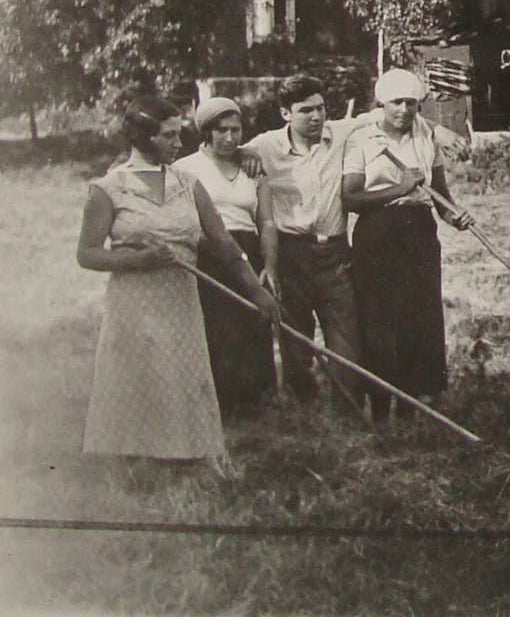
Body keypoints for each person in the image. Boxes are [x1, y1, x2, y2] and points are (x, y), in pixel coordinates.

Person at [241, 73, 470, 408]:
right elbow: (228, 148)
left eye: (320, 108)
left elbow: (396, 111)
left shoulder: (342, 132)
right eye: (306, 110)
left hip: (334, 252)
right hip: (291, 254)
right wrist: (243, 153)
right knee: (296, 344)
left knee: (348, 345)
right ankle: (303, 417)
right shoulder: (266, 146)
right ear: (286, 113)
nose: (316, 116)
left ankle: (349, 414)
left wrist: (438, 130)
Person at [76, 96, 281, 460]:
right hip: (133, 302)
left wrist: (257, 293)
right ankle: (132, 459)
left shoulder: (188, 183)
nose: (178, 143)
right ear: (143, 139)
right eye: (169, 135)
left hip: (182, 301)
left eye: (178, 133)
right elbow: (88, 254)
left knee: (181, 374)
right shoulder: (109, 188)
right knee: (138, 375)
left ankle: (182, 456)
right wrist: (140, 260)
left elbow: (224, 243)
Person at [341, 69, 475, 423]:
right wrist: (399, 189)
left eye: (411, 103)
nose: (403, 110)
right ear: (381, 103)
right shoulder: (363, 138)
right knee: (380, 321)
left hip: (420, 233)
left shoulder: (425, 136)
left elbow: (441, 195)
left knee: (418, 318)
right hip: (377, 233)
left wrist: (455, 216)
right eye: (396, 102)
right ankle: (381, 407)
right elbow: (350, 197)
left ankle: (412, 408)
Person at [174, 97, 280, 418]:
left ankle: (256, 403)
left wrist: (271, 266)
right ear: (207, 132)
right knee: (218, 327)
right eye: (222, 131)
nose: (231, 138)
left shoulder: (253, 168)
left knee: (253, 321)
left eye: (237, 130)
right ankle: (219, 406)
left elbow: (267, 222)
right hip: (209, 251)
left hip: (250, 250)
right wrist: (220, 251)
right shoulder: (186, 168)